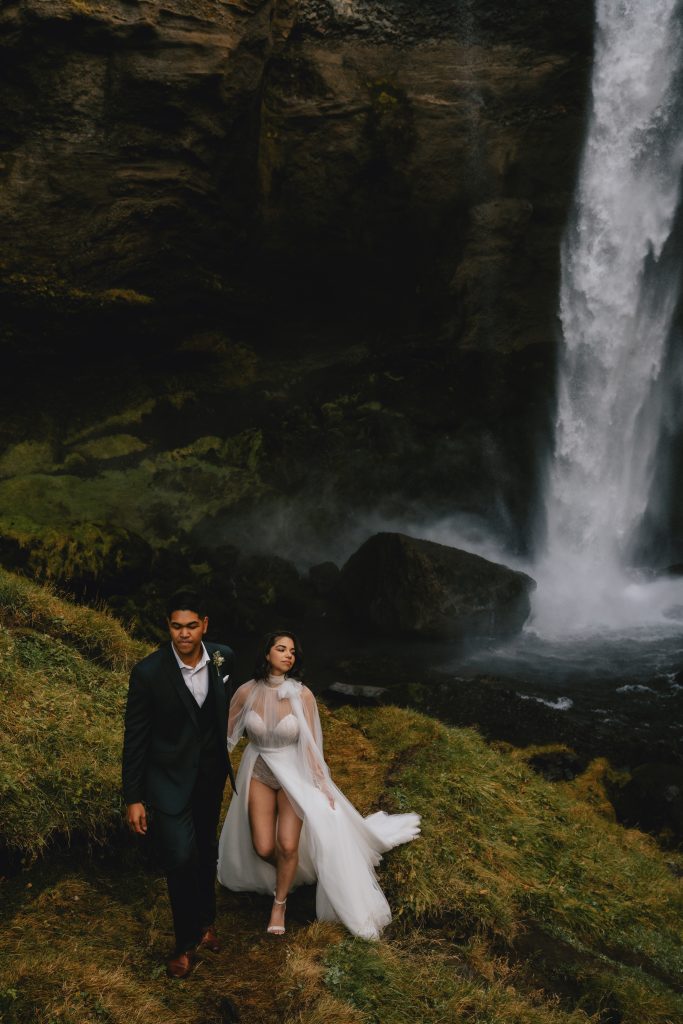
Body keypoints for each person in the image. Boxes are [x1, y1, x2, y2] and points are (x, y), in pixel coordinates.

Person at [217, 631, 420, 939]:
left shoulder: (303, 694)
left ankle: (280, 903)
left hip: (293, 775)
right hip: (258, 770)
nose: (288, 655)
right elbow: (226, 737)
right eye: (281, 649)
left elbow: (311, 745)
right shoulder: (246, 692)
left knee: (287, 843)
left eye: (293, 652)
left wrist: (322, 784)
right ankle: (294, 870)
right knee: (263, 847)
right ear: (267, 654)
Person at [122, 591, 237, 981]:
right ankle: (184, 944)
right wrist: (133, 796)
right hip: (166, 782)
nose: (183, 634)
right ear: (167, 626)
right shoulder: (149, 672)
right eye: (176, 626)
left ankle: (206, 924)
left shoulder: (224, 658)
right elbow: (135, 738)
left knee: (206, 850)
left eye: (191, 626)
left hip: (209, 778)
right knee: (180, 855)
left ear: (204, 624)